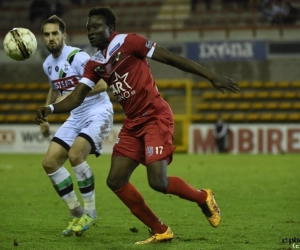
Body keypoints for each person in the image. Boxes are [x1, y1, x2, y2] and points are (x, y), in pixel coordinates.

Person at [35, 7, 239, 244]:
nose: (91, 31)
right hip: (133, 123)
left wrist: (211, 76)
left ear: (111, 28)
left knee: (158, 183)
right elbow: (76, 97)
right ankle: (160, 229)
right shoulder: (95, 63)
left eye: (96, 27)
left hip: (154, 116)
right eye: (88, 27)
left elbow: (172, 59)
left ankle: (203, 197)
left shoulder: (129, 42)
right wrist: (49, 109)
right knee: (115, 180)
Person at [39, 15, 113, 236]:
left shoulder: (77, 57)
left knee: (75, 155)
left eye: (55, 33)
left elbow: (102, 83)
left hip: (98, 111)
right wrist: (46, 115)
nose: (51, 38)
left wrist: (73, 94)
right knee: (50, 162)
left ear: (64, 35)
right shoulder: (48, 64)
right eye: (46, 34)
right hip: (76, 114)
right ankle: (76, 212)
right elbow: (54, 89)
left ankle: (90, 212)